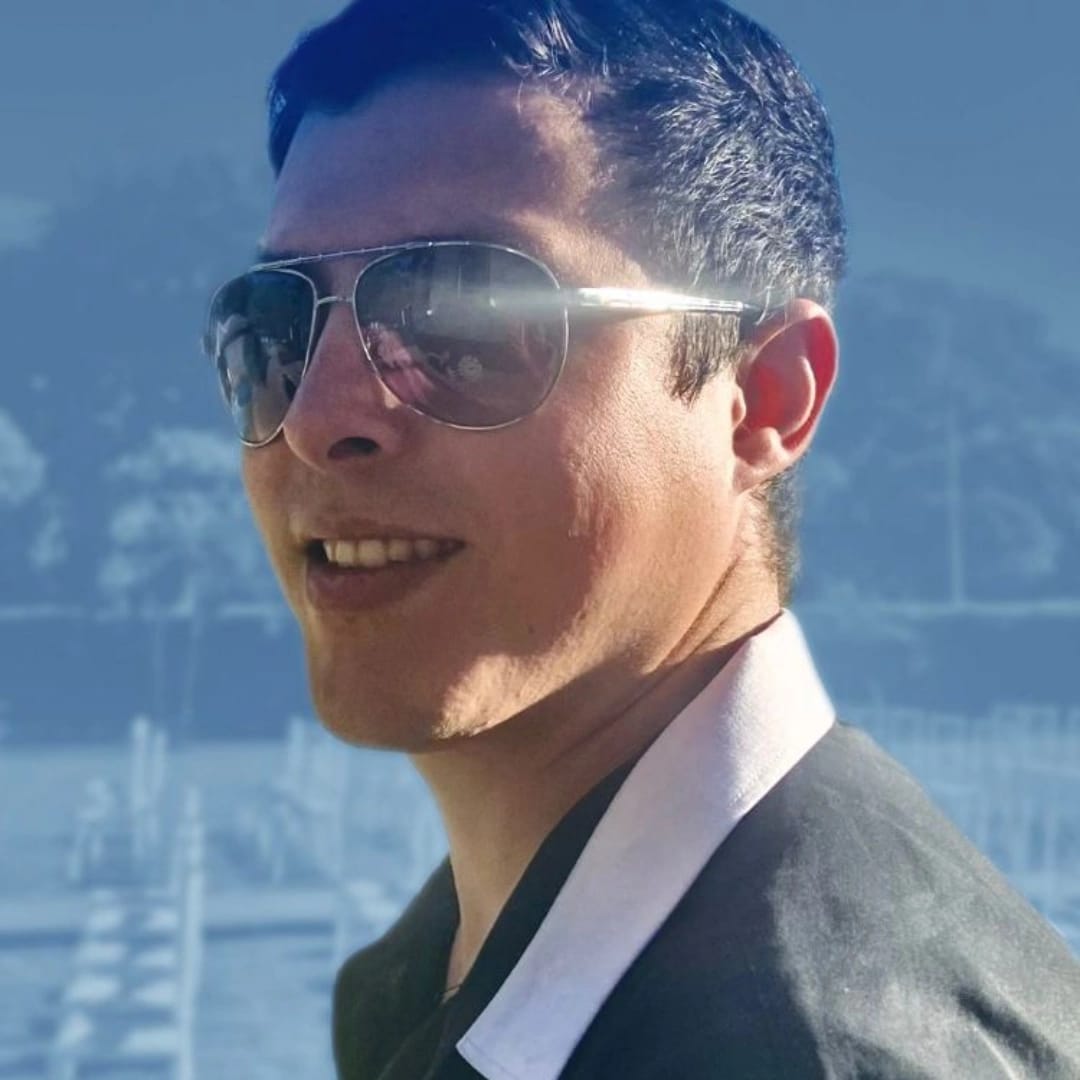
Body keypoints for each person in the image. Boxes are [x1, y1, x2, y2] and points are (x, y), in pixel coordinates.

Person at [202, 1, 1080, 1075]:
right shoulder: (448, 974)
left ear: (764, 397)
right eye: (276, 324)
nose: (315, 415)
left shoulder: (816, 1047)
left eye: (465, 316)